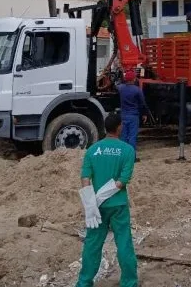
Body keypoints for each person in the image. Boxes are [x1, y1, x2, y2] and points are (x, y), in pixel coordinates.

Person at [77, 113, 138, 287]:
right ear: (119, 127)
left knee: (92, 245)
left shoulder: (92, 150)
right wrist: (101, 197)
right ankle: (129, 283)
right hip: (118, 205)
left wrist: (92, 203)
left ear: (105, 128)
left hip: (96, 209)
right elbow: (121, 183)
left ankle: (84, 283)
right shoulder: (128, 150)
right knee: (124, 243)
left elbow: (85, 178)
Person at [117, 70, 148, 157]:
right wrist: (144, 114)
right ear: (134, 79)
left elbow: (117, 85)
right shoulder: (137, 90)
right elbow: (142, 103)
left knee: (123, 136)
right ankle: (132, 157)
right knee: (132, 136)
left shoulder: (121, 88)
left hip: (123, 115)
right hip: (133, 116)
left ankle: (123, 156)